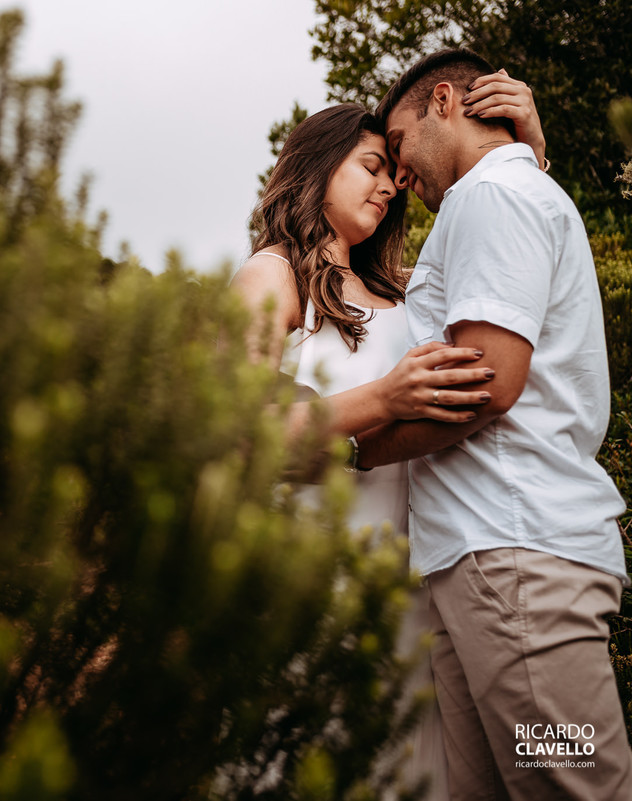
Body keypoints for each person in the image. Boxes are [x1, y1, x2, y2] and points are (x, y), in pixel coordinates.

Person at [232, 74, 545, 799]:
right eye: (373, 167)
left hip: (415, 585)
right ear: (316, 166)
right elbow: (239, 431)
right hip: (315, 581)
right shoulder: (272, 276)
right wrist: (383, 396)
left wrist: (527, 148)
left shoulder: (407, 289)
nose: (389, 188)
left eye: (396, 177)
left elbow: (507, 248)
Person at [359, 48, 632, 799]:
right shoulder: (508, 194)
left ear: (443, 101)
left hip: (516, 564)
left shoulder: (490, 198)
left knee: (575, 783)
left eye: (399, 145)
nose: (398, 174)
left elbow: (485, 381)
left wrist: (355, 448)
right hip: (483, 566)